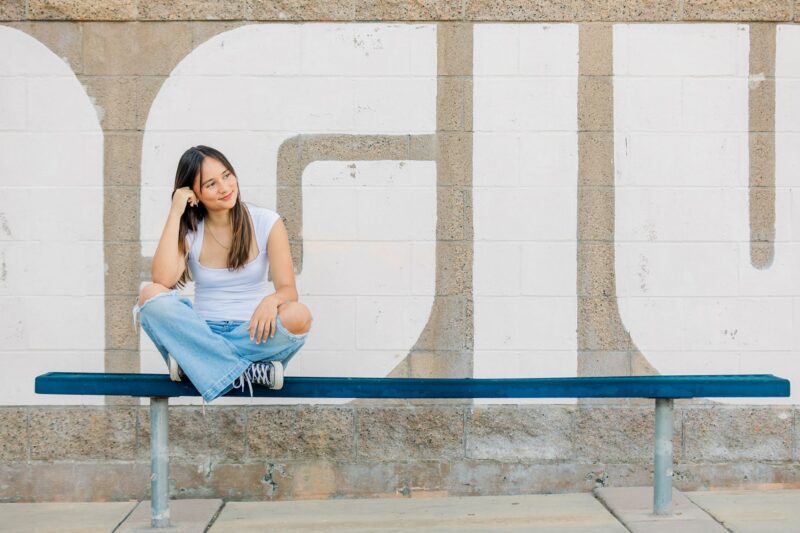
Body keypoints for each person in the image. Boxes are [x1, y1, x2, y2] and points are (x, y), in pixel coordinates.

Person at [131, 145, 313, 408]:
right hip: (202, 331)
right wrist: (175, 213)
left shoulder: (266, 222)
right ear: (195, 193)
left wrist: (271, 300)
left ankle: (198, 365)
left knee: (299, 315)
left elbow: (288, 291)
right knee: (150, 294)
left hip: (252, 333)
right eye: (211, 184)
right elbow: (163, 278)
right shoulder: (192, 230)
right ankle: (246, 372)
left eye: (227, 175)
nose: (225, 187)